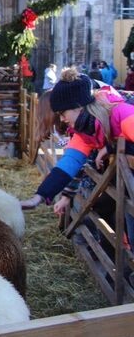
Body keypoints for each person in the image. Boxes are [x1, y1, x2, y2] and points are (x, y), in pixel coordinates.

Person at [19, 68, 134, 249]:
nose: (62, 119)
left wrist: (113, 147)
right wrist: (39, 197)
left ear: (77, 107)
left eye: (62, 113)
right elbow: (67, 165)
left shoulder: (122, 114)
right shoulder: (84, 132)